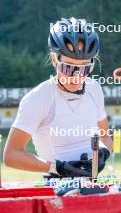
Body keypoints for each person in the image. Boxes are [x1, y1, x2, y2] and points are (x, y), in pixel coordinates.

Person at [3, 17, 112, 178]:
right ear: (54, 59)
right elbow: (11, 155)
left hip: (92, 184)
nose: (76, 77)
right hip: (56, 187)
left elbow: (105, 136)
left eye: (84, 69)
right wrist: (58, 168)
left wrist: (103, 152)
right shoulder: (38, 98)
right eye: (68, 68)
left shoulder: (94, 88)